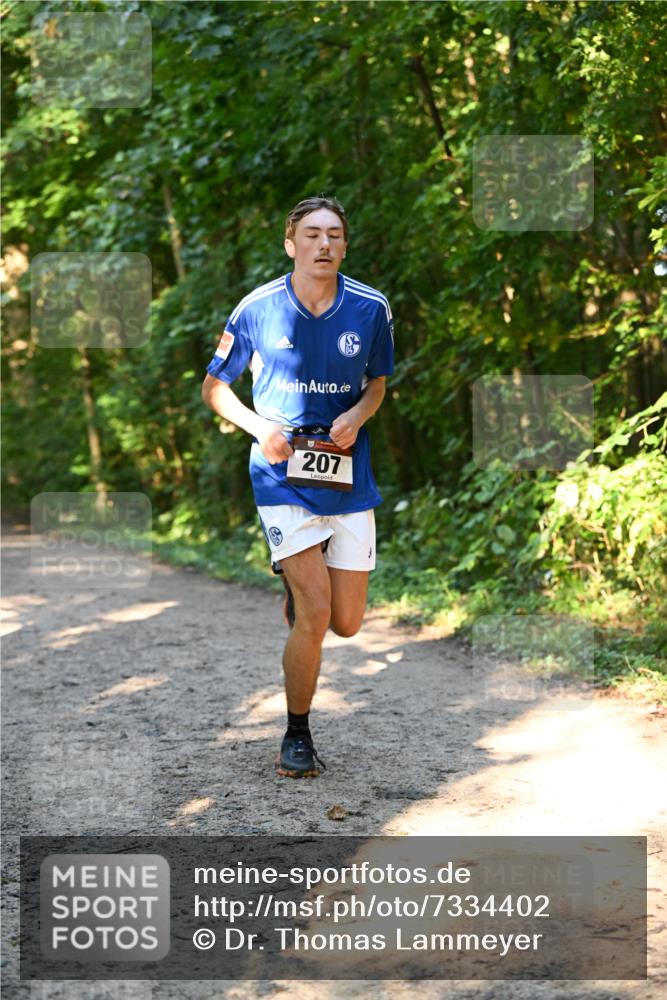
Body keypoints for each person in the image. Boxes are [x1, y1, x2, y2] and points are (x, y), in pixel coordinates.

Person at [201, 195, 394, 778]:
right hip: (280, 473)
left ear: (345, 244)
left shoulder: (371, 307)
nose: (324, 244)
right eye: (311, 234)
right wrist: (261, 428)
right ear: (291, 244)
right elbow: (215, 387)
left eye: (334, 234)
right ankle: (298, 733)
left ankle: (300, 591)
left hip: (347, 471)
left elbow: (377, 384)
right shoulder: (257, 308)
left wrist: (358, 416)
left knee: (347, 622)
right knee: (315, 614)